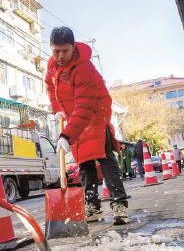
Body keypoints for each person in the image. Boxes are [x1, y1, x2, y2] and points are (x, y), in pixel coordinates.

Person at [45, 26, 130, 224]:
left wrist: (66, 135)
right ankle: (92, 205)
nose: (60, 56)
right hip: (73, 119)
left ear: (73, 47)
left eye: (64, 51)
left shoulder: (84, 68)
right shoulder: (52, 65)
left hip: (94, 115)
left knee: (104, 158)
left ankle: (119, 204)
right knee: (84, 163)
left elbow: (85, 106)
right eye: (55, 51)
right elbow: (50, 86)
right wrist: (57, 108)